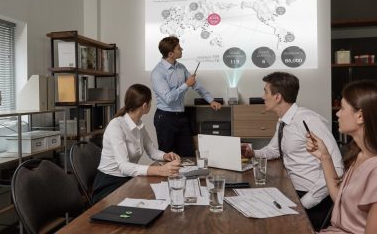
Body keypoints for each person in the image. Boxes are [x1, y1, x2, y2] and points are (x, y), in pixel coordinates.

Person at [241, 72, 344, 231]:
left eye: (265, 92)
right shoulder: (283, 121)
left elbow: (337, 168)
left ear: (278, 97)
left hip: (312, 200)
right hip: (291, 191)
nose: (262, 97)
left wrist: (305, 203)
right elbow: (274, 149)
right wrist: (253, 153)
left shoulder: (310, 121)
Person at [306, 81, 377, 233]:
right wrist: (324, 156)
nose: (337, 113)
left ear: (360, 116)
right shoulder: (359, 155)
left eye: (343, 108)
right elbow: (340, 197)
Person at [92, 84, 181, 203]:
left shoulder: (139, 124)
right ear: (145, 105)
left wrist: (165, 155)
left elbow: (152, 150)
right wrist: (159, 170)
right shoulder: (116, 125)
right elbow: (123, 166)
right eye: (150, 102)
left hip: (128, 180)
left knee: (156, 198)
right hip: (109, 184)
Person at [151, 36, 222, 156]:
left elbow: (195, 85)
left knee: (188, 154)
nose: (182, 49)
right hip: (165, 118)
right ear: (171, 54)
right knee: (168, 155)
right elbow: (168, 99)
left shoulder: (181, 67)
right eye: (179, 48)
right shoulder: (158, 73)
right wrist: (185, 85)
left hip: (181, 116)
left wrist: (211, 101)